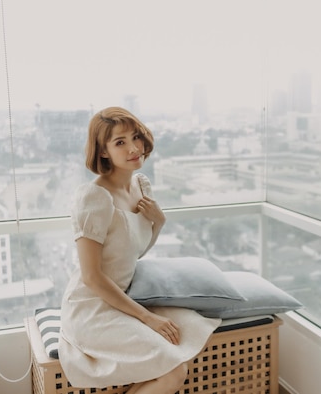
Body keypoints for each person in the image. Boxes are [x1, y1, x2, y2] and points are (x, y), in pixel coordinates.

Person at [58, 107, 221, 394]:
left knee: (190, 328)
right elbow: (91, 277)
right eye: (120, 142)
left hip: (122, 297)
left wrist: (158, 222)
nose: (134, 148)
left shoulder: (140, 186)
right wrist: (147, 318)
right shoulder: (93, 197)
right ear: (103, 151)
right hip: (92, 307)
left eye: (136, 137)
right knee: (173, 370)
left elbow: (132, 253)